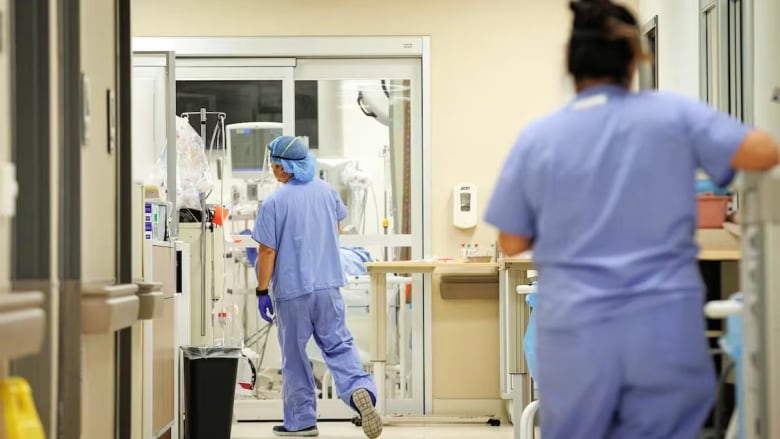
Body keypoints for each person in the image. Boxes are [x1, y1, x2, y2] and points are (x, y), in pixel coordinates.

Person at [484, 1, 779, 438]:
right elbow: (764, 152)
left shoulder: (539, 138)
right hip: (661, 327)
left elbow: (510, 241)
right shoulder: (674, 115)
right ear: (636, 59)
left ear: (571, 63)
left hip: (577, 333)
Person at [252, 135, 382, 438]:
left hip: (293, 291)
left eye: (274, 164)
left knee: (295, 355)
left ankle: (301, 422)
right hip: (328, 287)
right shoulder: (327, 192)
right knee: (338, 344)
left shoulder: (274, 202)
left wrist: (261, 291)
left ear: (284, 167)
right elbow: (335, 231)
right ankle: (361, 390)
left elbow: (267, 251)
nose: (273, 170)